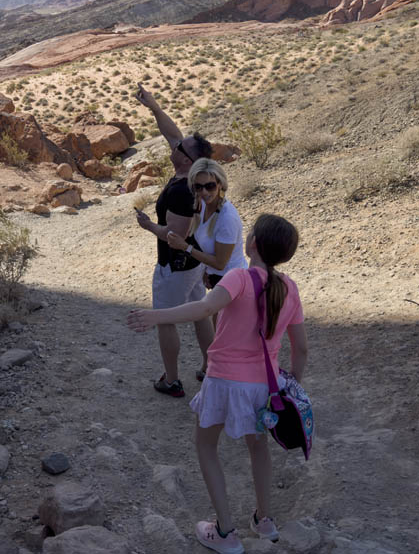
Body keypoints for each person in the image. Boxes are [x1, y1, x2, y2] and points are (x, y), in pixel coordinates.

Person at [127, 214, 308, 554]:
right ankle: (264, 520)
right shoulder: (289, 288)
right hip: (265, 387)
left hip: (224, 380)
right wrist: (293, 387)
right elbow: (301, 348)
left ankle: (225, 531)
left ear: (252, 244)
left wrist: (155, 316)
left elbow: (204, 308)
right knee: (259, 447)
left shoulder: (239, 278)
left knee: (206, 446)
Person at [133, 84, 217, 398]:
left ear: (185, 159)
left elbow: (175, 236)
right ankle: (210, 367)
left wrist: (148, 226)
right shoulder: (193, 175)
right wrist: (154, 107)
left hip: (176, 265)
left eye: (181, 145)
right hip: (194, 262)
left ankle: (171, 379)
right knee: (200, 311)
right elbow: (172, 133)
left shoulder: (183, 191)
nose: (176, 143)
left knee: (164, 320)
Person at [166, 157, 249, 377]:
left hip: (233, 283)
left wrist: (185, 248)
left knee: (224, 338)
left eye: (210, 186)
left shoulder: (227, 218)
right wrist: (206, 271)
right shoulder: (203, 206)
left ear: (220, 184)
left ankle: (222, 378)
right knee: (219, 334)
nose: (204, 192)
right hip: (220, 280)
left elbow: (221, 262)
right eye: (198, 187)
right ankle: (212, 372)